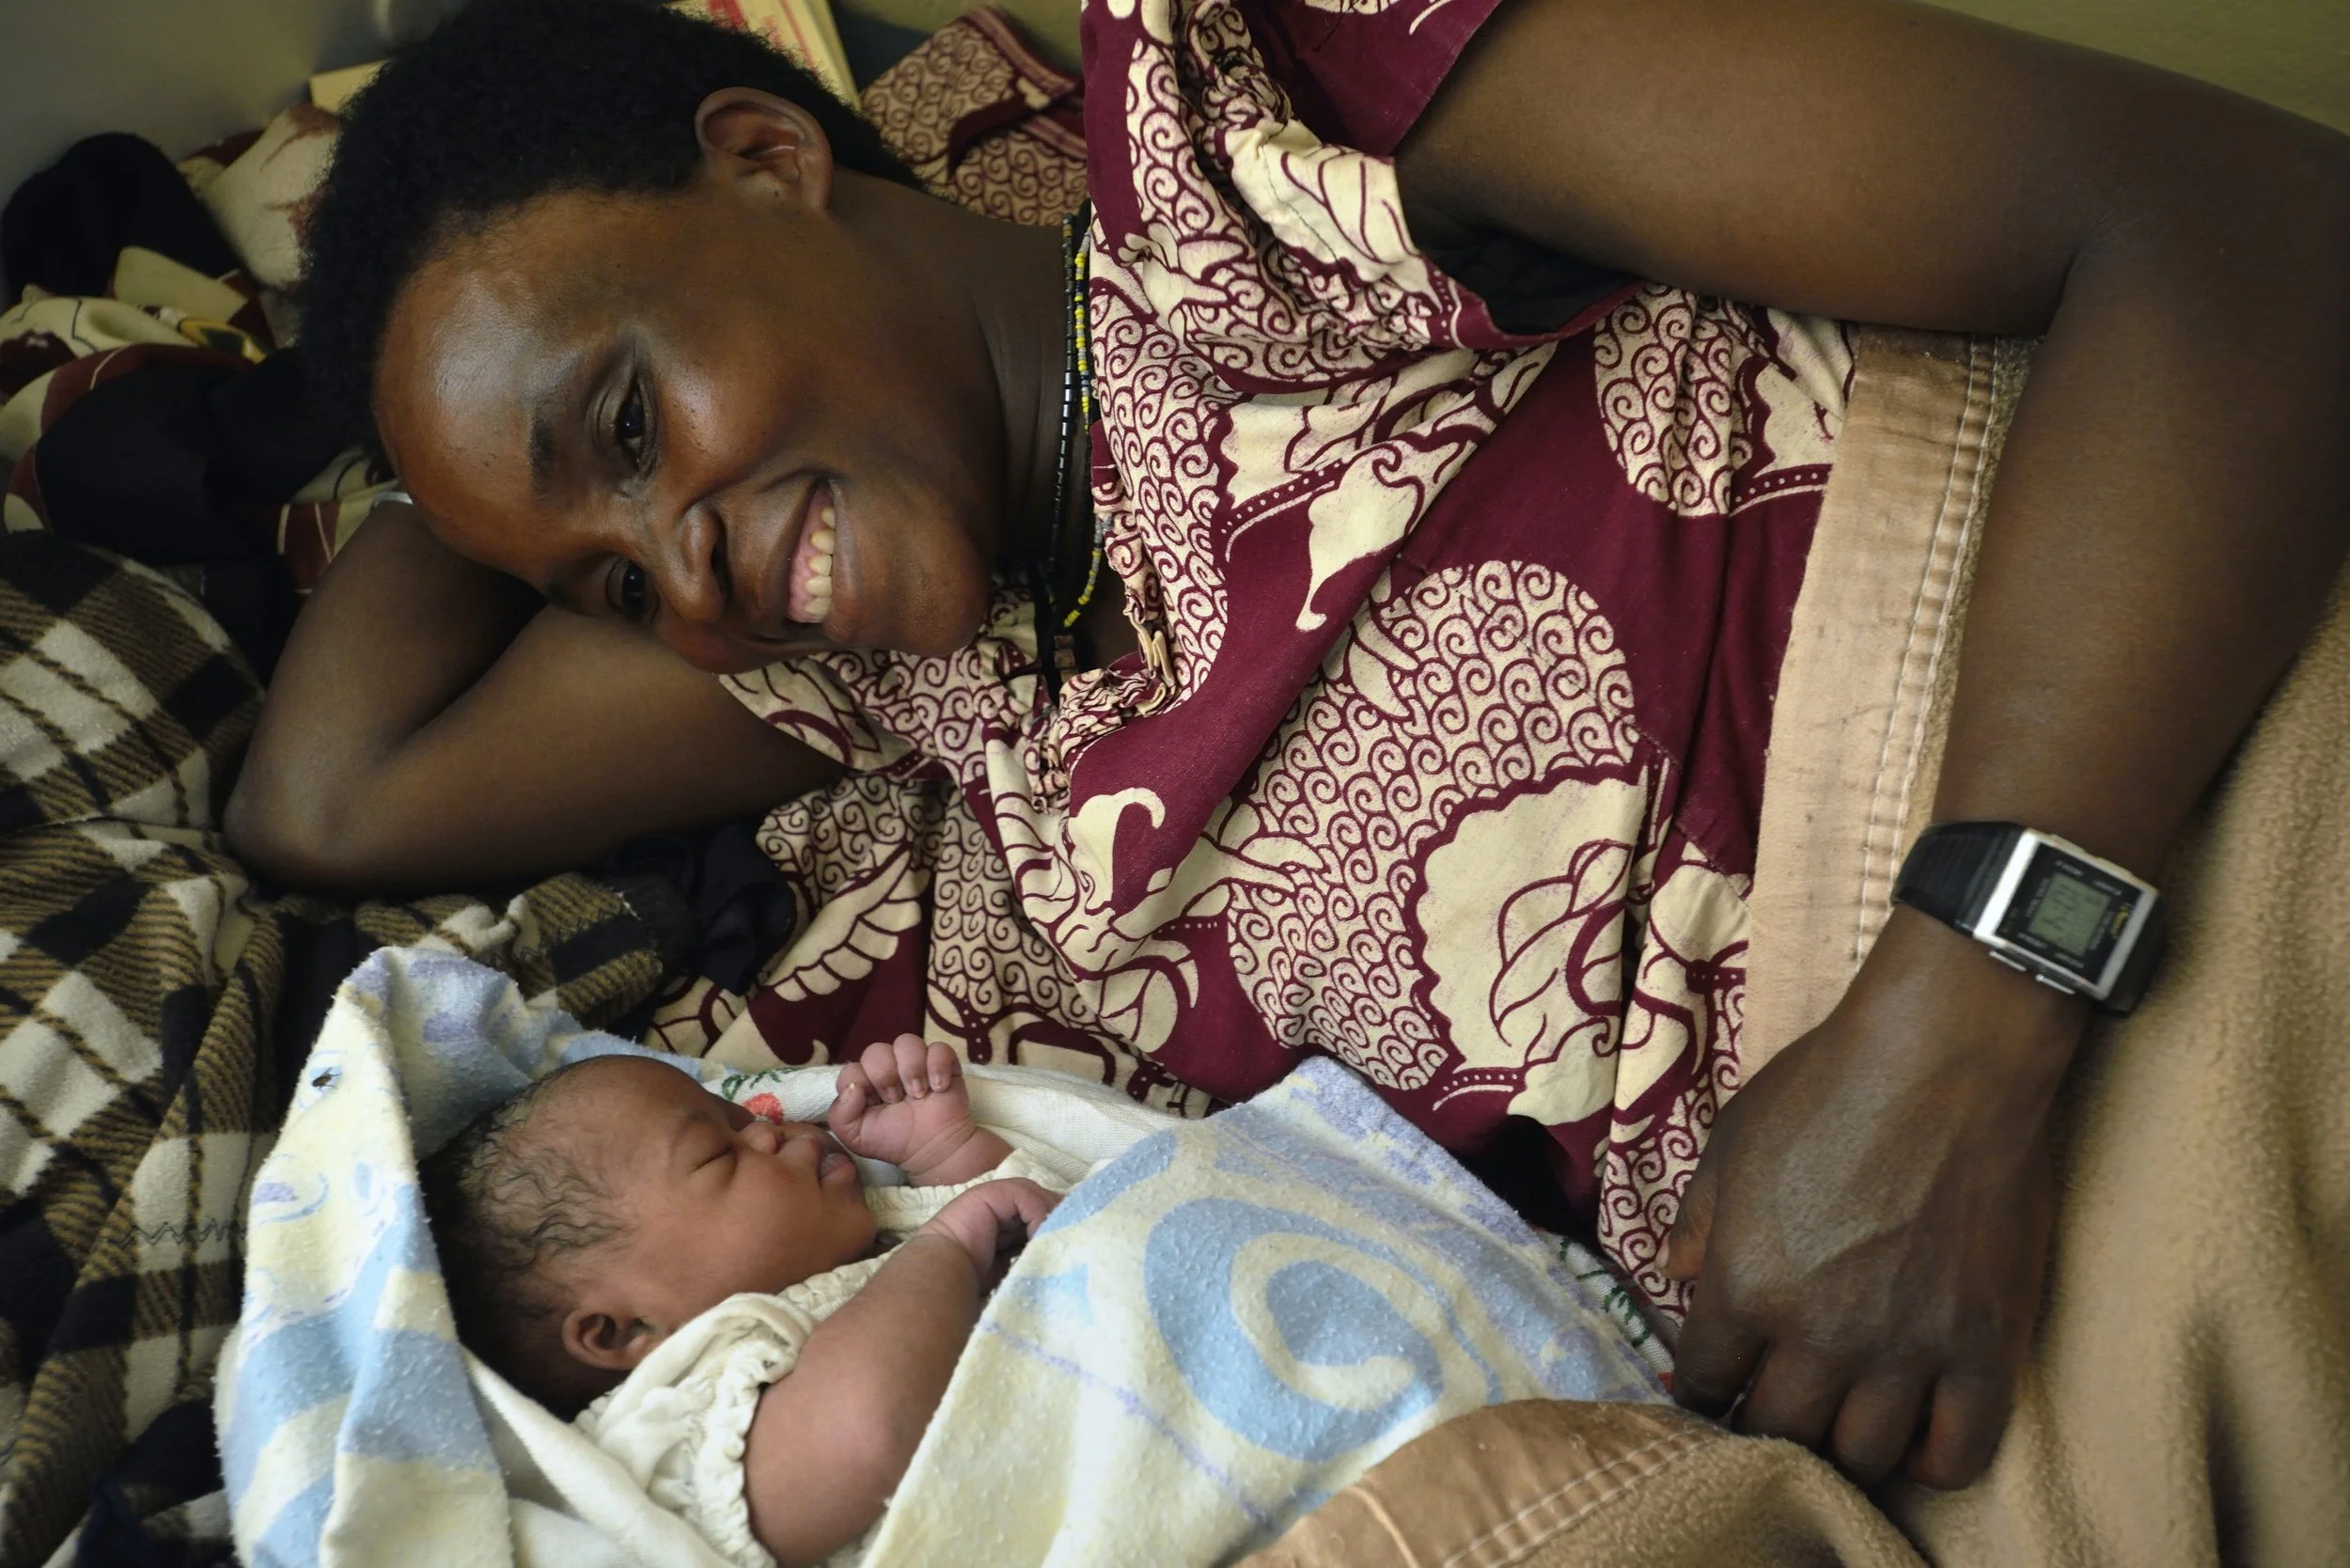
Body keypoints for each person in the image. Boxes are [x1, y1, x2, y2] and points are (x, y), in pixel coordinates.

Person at [230, 0, 2350, 1496]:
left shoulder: (1281, 118)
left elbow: (2234, 225)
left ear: (771, 158)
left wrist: (1957, 1025)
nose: (678, 594)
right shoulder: (863, 681)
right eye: (599, 586)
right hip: (1936, 1369)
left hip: (2140, 865)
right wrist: (455, 461)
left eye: (624, 422)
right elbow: (322, 804)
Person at [423, 1037, 1064, 1565]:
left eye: (742, 1120)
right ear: (624, 1332)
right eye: (716, 1155)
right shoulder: (672, 1423)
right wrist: (949, 1244)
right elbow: (865, 1430)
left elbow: (1051, 1235)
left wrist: (943, 1153)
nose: (767, 1129)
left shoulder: (867, 1252)